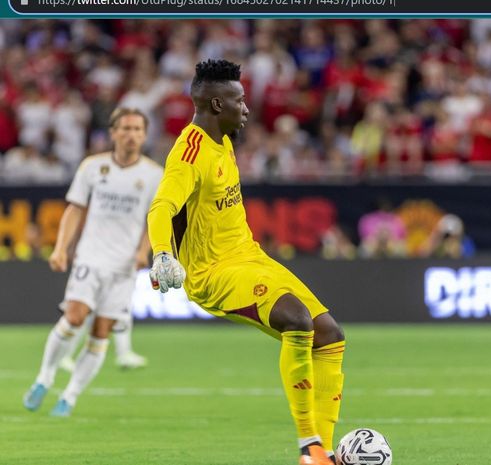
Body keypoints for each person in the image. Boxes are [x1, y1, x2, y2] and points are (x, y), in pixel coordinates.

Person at [146, 59, 345, 465]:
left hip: (250, 256)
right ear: (217, 104)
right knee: (297, 320)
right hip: (213, 273)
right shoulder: (189, 152)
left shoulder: (224, 139)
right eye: (239, 100)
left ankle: (319, 453)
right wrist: (162, 252)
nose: (247, 108)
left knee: (330, 336)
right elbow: (162, 206)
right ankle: (309, 445)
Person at [22, 108, 163, 417]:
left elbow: (155, 218)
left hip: (125, 266)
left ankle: (69, 397)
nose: (131, 134)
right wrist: (61, 248)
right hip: (91, 256)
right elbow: (74, 210)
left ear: (144, 134)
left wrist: (145, 251)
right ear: (113, 133)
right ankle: (44, 378)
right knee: (75, 316)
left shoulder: (154, 175)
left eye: (138, 129)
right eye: (125, 128)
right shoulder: (92, 167)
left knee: (101, 331)